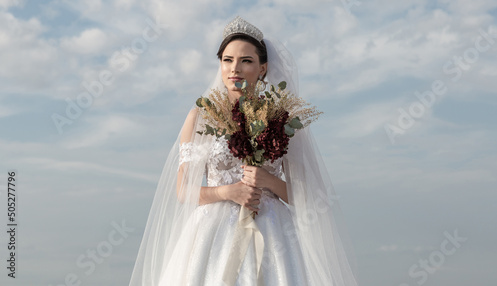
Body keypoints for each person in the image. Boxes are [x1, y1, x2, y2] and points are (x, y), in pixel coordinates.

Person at [129, 16, 358, 286]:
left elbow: (307, 195)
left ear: (263, 68)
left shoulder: (281, 119)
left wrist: (268, 181)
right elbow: (183, 191)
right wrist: (228, 191)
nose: (234, 69)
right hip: (212, 237)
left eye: (246, 60)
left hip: (274, 231)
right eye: (227, 60)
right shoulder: (200, 117)